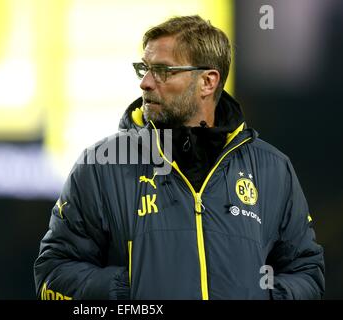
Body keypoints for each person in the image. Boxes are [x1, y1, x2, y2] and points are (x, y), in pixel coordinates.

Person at [34, 15, 325, 300]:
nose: (145, 83)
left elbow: (307, 273)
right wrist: (130, 291)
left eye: (162, 71)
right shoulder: (100, 165)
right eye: (144, 69)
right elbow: (53, 274)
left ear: (208, 82)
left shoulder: (273, 168)